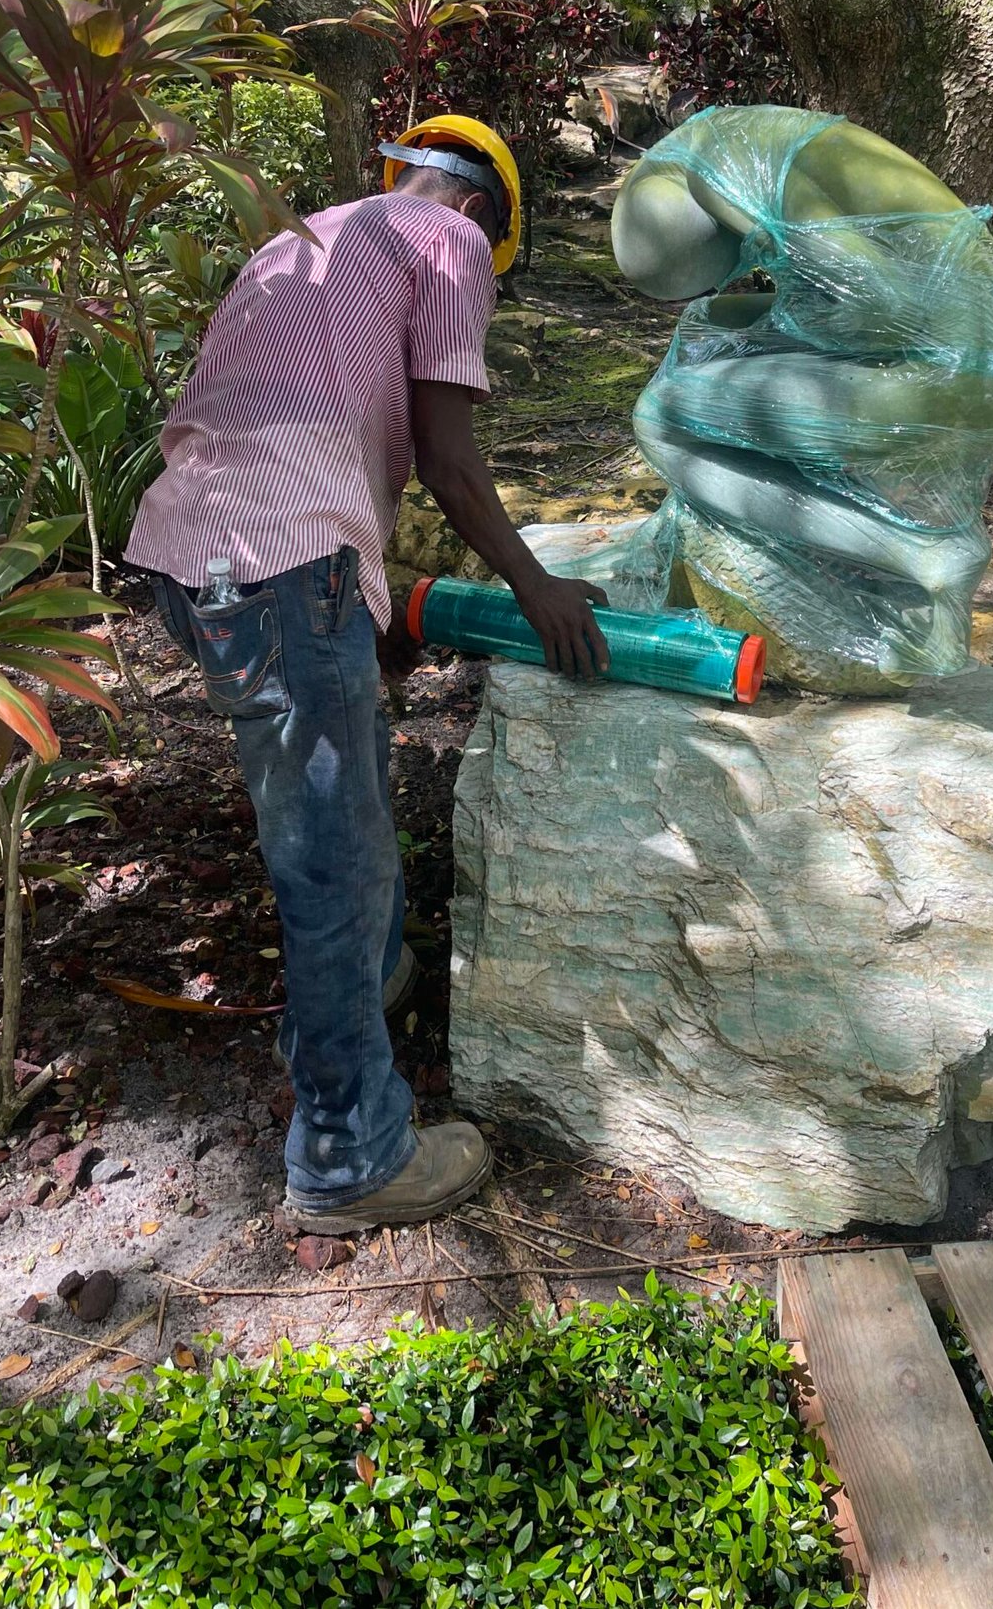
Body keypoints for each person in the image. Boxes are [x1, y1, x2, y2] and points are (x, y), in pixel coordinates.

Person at [127, 116, 608, 1231]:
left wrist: (364, 602)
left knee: (325, 818)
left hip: (185, 557)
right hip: (287, 564)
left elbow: (309, 426)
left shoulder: (303, 237)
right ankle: (351, 1154)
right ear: (481, 212)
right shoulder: (450, 241)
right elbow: (446, 456)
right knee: (332, 862)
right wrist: (536, 587)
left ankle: (356, 995)